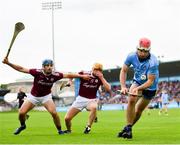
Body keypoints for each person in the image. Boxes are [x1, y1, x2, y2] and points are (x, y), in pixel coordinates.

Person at [2, 57, 91, 135]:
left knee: (54, 113)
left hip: (46, 97)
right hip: (33, 96)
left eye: (50, 65)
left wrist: (82, 76)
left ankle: (60, 131)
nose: (49, 67)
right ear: (43, 67)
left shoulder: (55, 75)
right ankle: (22, 125)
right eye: (47, 65)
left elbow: (69, 74)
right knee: (21, 113)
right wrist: (8, 63)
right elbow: (21, 68)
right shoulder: (37, 72)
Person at [117, 37, 159, 139]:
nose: (142, 53)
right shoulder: (131, 56)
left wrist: (138, 88)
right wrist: (123, 86)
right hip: (137, 80)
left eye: (145, 51)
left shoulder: (153, 62)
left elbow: (150, 81)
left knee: (138, 110)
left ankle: (128, 127)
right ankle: (128, 129)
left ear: (149, 50)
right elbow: (124, 71)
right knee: (131, 99)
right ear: (137, 48)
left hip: (150, 87)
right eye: (141, 50)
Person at [64, 63, 111, 134]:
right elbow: (71, 74)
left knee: (94, 107)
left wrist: (102, 78)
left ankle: (88, 127)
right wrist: (70, 81)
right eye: (96, 69)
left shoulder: (100, 78)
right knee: (67, 118)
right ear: (92, 69)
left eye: (99, 70)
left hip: (91, 100)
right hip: (80, 99)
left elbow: (108, 88)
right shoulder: (84, 73)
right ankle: (69, 130)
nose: (97, 71)